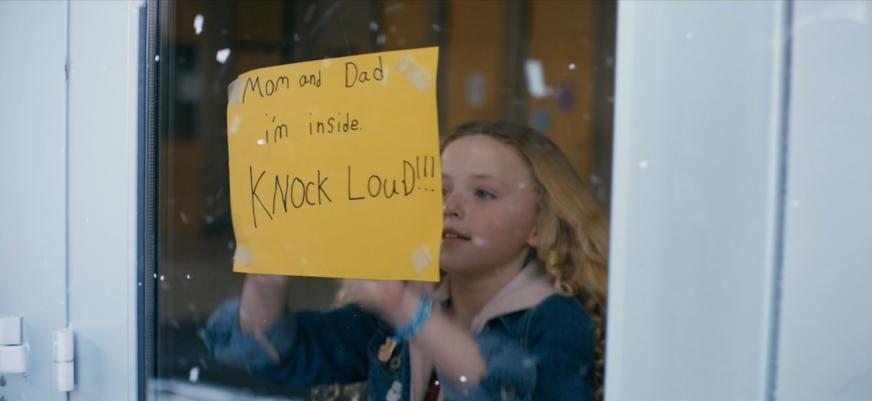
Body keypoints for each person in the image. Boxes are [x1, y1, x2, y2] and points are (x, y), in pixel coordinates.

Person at [203, 121, 609, 401]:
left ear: (538, 225)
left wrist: (408, 312)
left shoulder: (555, 318)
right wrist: (266, 279)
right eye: (439, 190)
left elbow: (506, 385)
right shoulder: (407, 305)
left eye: (483, 193)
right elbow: (288, 354)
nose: (450, 207)